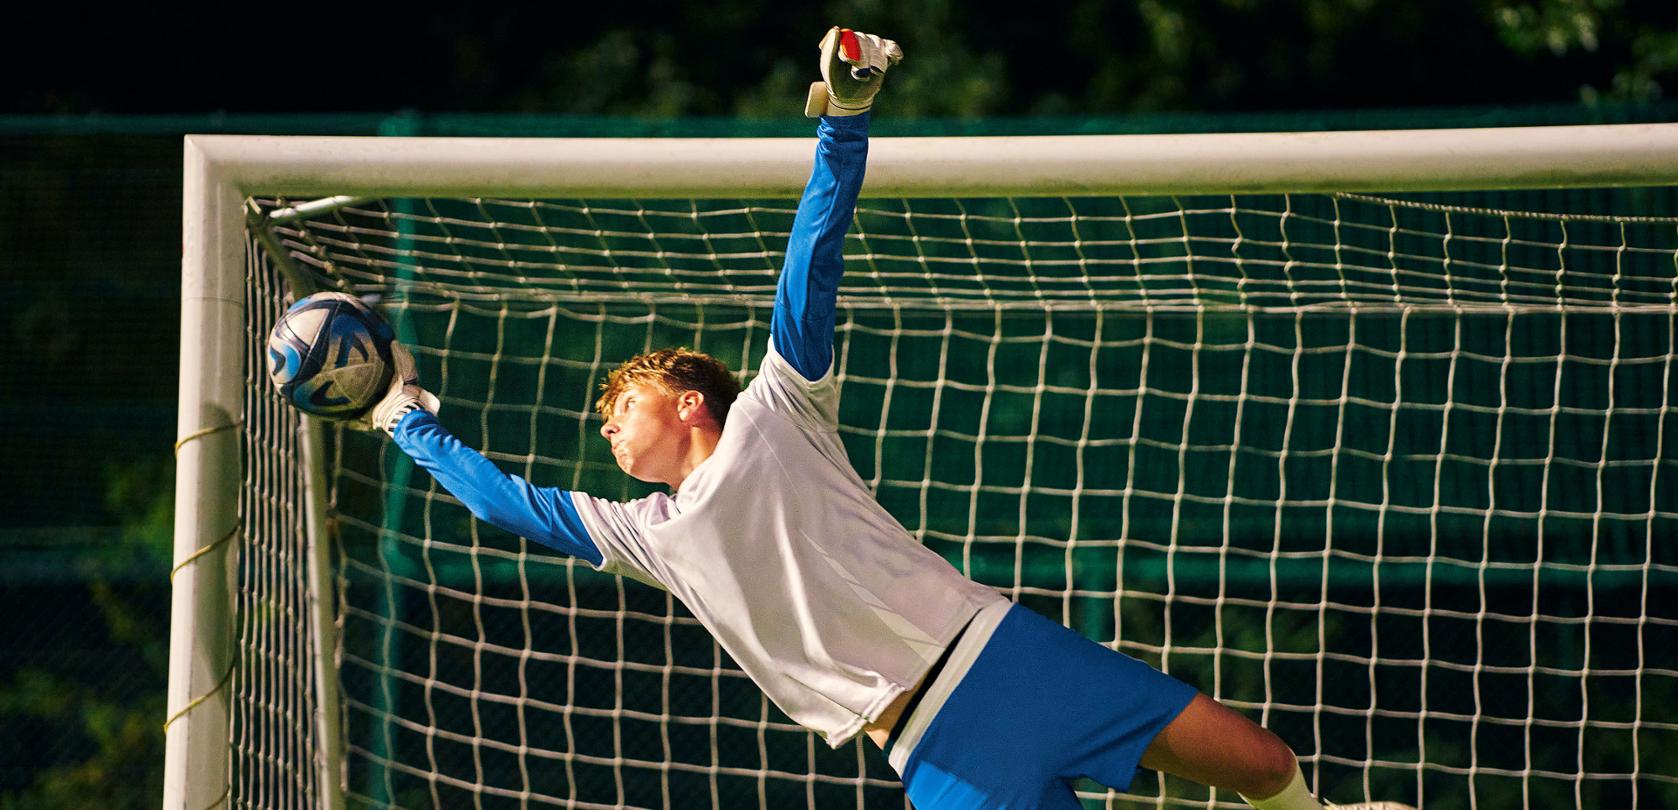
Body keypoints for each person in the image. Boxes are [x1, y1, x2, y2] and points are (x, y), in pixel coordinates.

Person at [354, 27, 1411, 810]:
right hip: (933, 750)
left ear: (689, 403)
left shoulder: (781, 410)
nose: (610, 435)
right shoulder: (652, 537)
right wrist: (406, 416)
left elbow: (812, 254)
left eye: (623, 409)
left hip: (1006, 653)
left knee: (1266, 768)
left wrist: (846, 117)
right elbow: (510, 506)